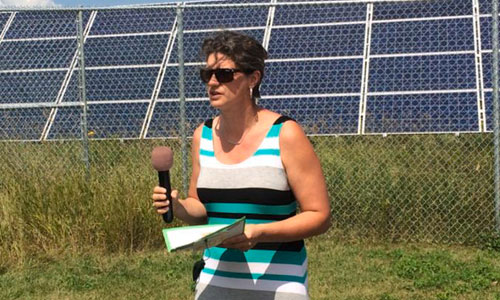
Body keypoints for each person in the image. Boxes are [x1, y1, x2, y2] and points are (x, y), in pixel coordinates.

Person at [152, 31, 331, 300]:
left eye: (223, 74)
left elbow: (319, 215)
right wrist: (178, 206)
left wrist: (260, 233)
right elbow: (201, 209)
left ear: (253, 78)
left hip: (279, 283)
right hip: (215, 280)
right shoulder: (203, 135)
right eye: (207, 74)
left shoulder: (285, 134)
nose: (212, 83)